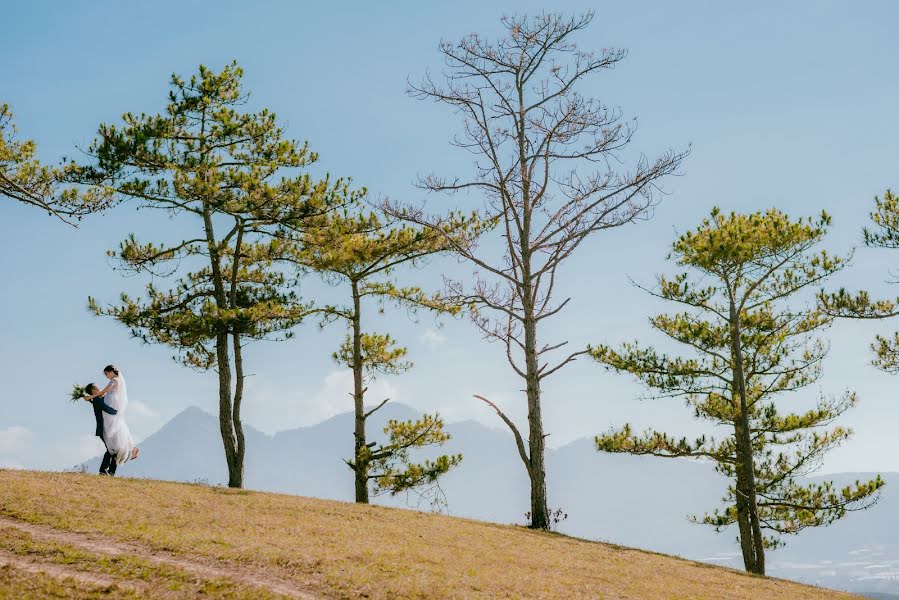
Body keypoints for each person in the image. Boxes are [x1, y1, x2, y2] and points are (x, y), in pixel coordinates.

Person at [84, 365, 140, 464]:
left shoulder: (114, 381)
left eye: (106, 374)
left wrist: (89, 397)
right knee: (119, 431)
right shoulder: (117, 381)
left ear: (111, 372)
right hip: (112, 406)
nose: (106, 376)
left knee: (114, 436)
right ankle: (132, 448)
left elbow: (103, 392)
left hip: (112, 407)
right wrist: (91, 398)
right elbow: (101, 397)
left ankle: (131, 448)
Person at [83, 383, 118, 475]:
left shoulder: (97, 398)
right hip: (103, 429)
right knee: (112, 449)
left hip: (106, 428)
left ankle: (110, 472)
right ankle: (103, 470)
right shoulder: (97, 399)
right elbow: (106, 408)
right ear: (94, 390)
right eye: (97, 386)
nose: (99, 387)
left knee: (114, 449)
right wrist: (118, 412)